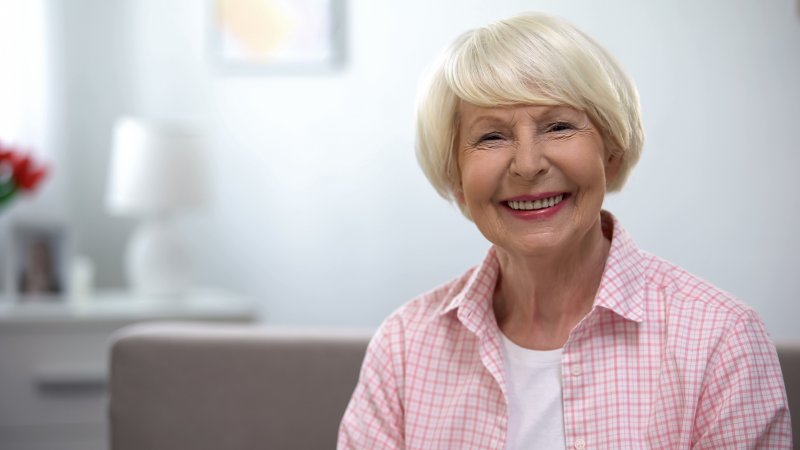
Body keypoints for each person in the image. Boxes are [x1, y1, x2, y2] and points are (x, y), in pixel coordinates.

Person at [337, 12, 791, 450]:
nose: (528, 164)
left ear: (611, 153)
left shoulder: (721, 339)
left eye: (558, 126)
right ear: (456, 176)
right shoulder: (403, 345)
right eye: (491, 137)